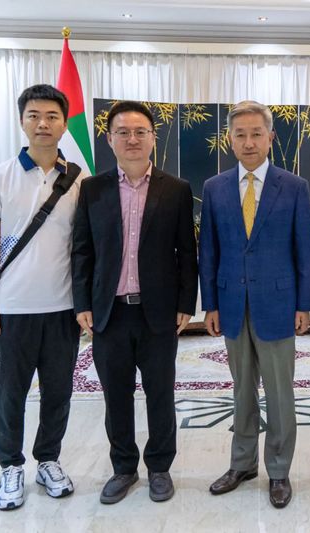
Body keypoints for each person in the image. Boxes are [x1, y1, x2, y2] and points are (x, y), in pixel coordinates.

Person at [71, 100, 198, 504]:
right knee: (116, 396)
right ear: (109, 140)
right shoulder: (92, 189)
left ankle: (159, 467)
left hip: (157, 312)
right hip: (109, 313)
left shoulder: (175, 189)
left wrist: (186, 302)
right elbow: (82, 250)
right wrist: (82, 302)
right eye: (123, 132)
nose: (132, 139)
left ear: (153, 139)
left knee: (161, 393)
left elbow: (187, 251)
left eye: (140, 132)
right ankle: (123, 467)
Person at [198, 100, 310, 509]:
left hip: (279, 304)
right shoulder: (215, 188)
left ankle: (279, 470)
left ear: (270, 137)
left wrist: (305, 304)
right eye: (240, 135)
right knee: (242, 390)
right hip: (232, 303)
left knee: (280, 394)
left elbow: (305, 249)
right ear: (229, 140)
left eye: (256, 134)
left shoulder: (294, 186)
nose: (248, 142)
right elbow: (209, 251)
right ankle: (242, 464)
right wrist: (211, 304)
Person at [0, 84, 85, 510]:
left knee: (58, 392)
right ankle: (10, 466)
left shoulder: (79, 179)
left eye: (52, 116)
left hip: (62, 308)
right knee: (10, 394)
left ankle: (48, 460)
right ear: (22, 121)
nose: (43, 124)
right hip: (12, 310)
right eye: (34, 115)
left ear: (64, 124)